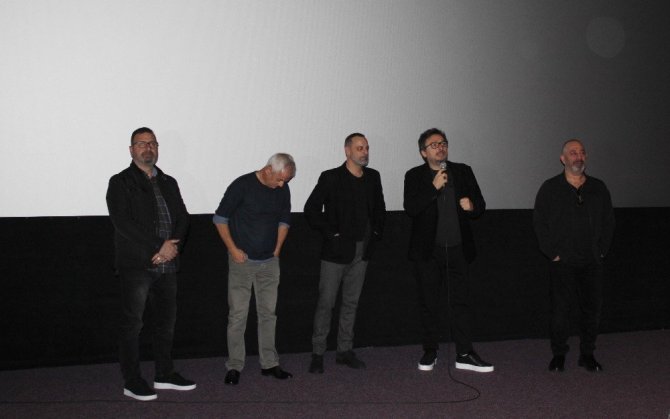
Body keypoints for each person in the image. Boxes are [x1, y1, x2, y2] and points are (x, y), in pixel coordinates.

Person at [106, 127, 196, 401]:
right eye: (142, 143)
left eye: (153, 143)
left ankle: (164, 374)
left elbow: (183, 217)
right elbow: (123, 223)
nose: (148, 148)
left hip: (168, 264)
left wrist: (172, 247)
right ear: (131, 149)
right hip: (137, 266)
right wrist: (159, 246)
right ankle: (132, 380)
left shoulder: (169, 181)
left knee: (166, 324)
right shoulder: (120, 181)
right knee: (132, 325)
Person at [403, 128, 493, 373]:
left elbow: (480, 205)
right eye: (434, 145)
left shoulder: (463, 171)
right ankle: (430, 351)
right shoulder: (414, 175)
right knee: (429, 303)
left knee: (461, 303)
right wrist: (433, 187)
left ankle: (464, 353)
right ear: (423, 152)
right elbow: (411, 207)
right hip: (428, 252)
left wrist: (472, 206)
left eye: (443, 143)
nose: (440, 147)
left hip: (458, 249)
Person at [304, 133, 386, 373]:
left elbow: (379, 209)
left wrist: (376, 234)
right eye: (359, 148)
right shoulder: (331, 177)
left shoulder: (373, 177)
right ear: (347, 151)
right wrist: (332, 234)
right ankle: (318, 353)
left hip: (363, 251)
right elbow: (311, 210)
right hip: (335, 253)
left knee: (351, 302)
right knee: (326, 303)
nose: (365, 152)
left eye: (367, 148)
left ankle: (344, 351)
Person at [213, 153, 296, 385]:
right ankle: (234, 365)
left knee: (268, 314)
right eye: (279, 179)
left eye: (285, 181)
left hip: (269, 263)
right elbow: (219, 219)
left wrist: (277, 250)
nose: (282, 185)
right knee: (238, 315)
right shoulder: (242, 185)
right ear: (268, 170)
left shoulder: (282, 189)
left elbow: (284, 221)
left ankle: (269, 363)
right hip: (242, 263)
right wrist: (233, 250)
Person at [533, 139, 614, 372]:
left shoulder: (598, 187)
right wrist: (553, 254)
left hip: (591, 261)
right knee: (560, 312)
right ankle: (559, 355)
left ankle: (587, 354)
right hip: (563, 262)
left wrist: (601, 251)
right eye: (573, 152)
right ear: (563, 159)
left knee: (592, 311)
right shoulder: (550, 188)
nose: (578, 156)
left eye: (581, 152)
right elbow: (539, 223)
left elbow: (609, 221)